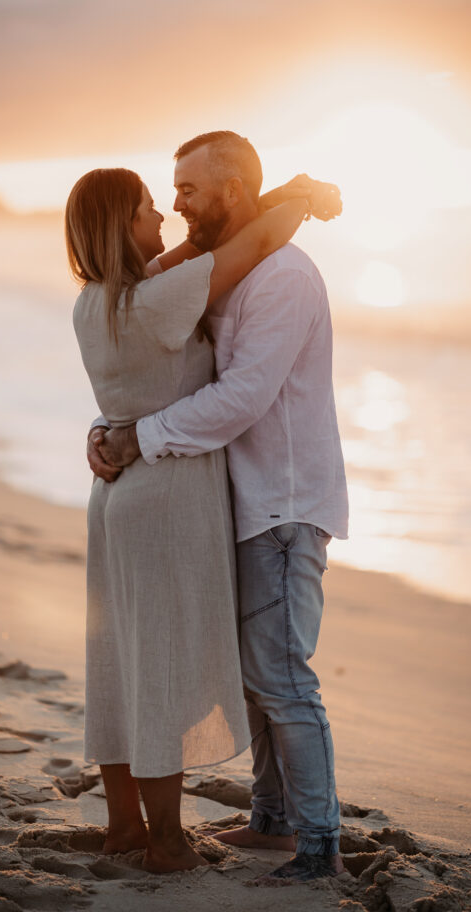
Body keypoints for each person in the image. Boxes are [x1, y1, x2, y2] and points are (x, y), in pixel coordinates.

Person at [88, 131, 348, 883]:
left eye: (190, 190)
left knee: (281, 678)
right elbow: (144, 367)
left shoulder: (284, 279)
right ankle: (269, 820)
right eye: (169, 191)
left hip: (284, 504)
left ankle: (319, 843)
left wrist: (137, 438)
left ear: (233, 193)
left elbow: (241, 398)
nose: (175, 204)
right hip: (229, 505)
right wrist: (111, 428)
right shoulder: (214, 274)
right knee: (251, 676)